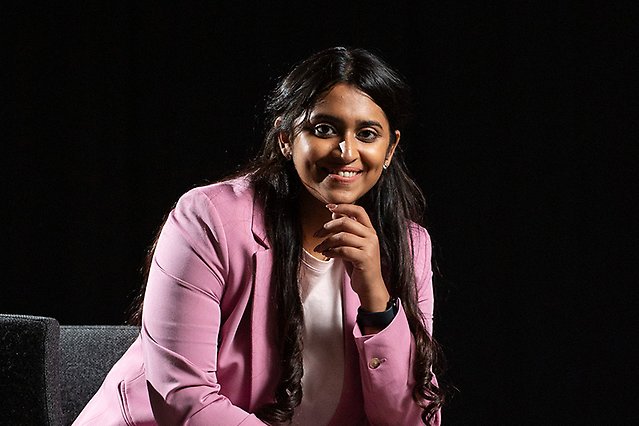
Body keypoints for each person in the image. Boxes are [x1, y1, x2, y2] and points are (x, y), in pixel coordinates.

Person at [74, 46, 445, 425]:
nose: (346, 151)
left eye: (367, 133)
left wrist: (377, 299)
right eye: (324, 129)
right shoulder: (210, 219)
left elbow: (414, 419)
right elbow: (184, 399)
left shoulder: (409, 246)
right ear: (285, 137)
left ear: (389, 148)